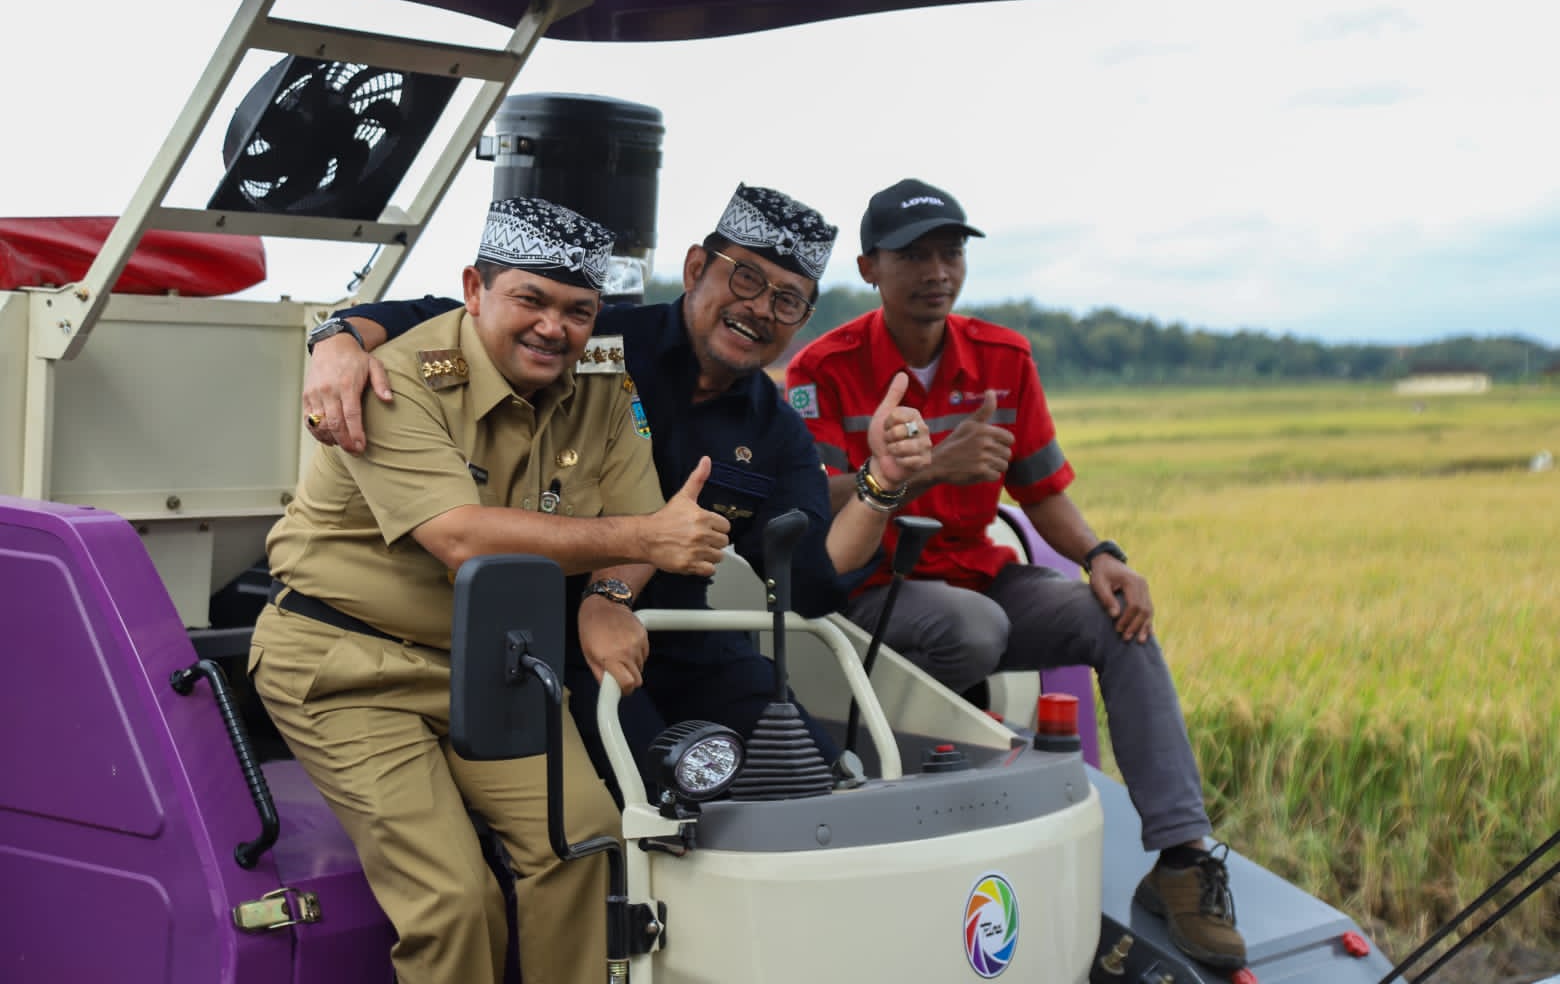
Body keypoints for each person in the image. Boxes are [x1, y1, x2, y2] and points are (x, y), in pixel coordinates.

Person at [254, 196, 735, 984]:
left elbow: (642, 510)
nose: (555, 327)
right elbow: (462, 536)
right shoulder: (396, 375)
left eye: (578, 310)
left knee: (582, 841)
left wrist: (608, 596)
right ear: (474, 289)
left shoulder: (604, 382)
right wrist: (640, 543)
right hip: (348, 664)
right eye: (531, 300)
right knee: (453, 900)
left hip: (494, 663)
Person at [301, 183, 931, 780]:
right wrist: (337, 338)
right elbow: (466, 315)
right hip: (546, 630)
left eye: (787, 300)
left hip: (675, 634)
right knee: (658, 792)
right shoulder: (597, 339)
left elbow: (811, 582)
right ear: (694, 270)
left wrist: (880, 483)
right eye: (745, 278)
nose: (760, 309)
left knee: (808, 773)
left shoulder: (778, 431)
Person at [783, 178, 1247, 971]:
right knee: (975, 628)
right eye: (915, 255)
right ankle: (930, 796)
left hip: (979, 572)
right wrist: (932, 468)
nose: (938, 270)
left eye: (951, 252)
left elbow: (1044, 490)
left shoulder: (1003, 359)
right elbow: (818, 509)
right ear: (868, 268)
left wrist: (1103, 557)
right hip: (867, 590)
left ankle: (1179, 859)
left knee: (1116, 619)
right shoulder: (822, 368)